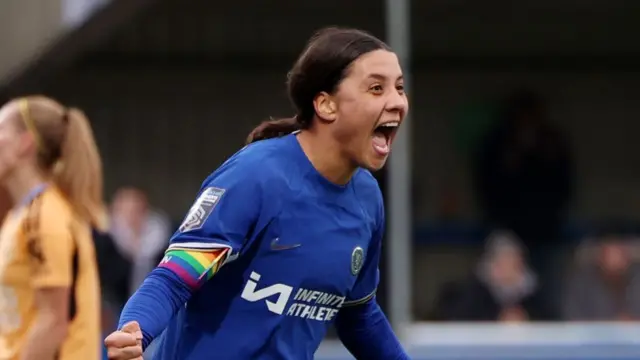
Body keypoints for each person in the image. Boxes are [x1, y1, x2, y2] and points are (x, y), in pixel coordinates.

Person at [104, 27, 410, 360]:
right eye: (377, 88)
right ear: (326, 104)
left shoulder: (367, 198)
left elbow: (359, 316)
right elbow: (174, 278)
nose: (396, 102)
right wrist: (135, 331)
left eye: (399, 88)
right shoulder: (255, 177)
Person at [0, 96, 107, 359]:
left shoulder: (46, 216)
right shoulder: (23, 214)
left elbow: (53, 322)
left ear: (25, 143)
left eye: (1, 129)